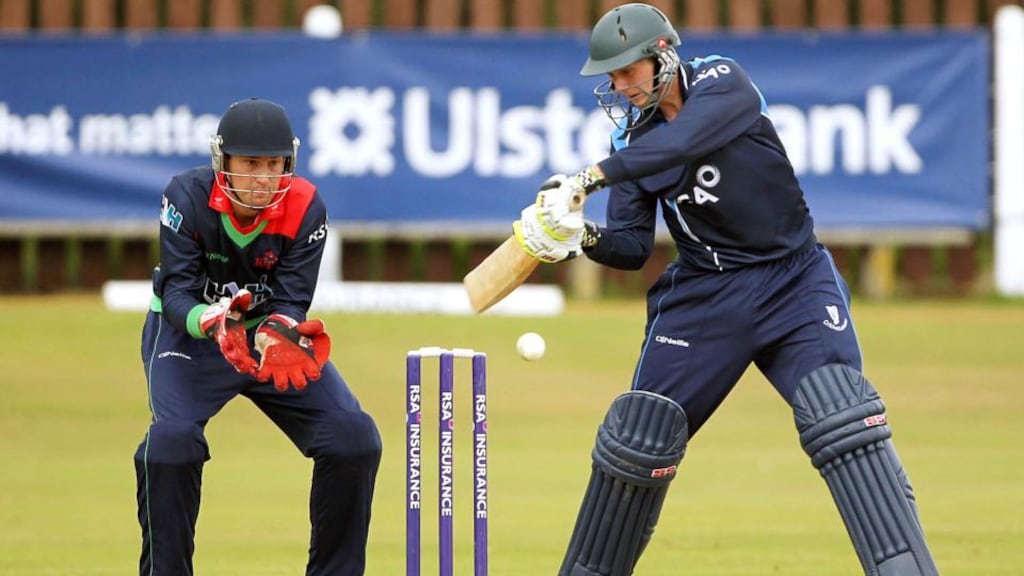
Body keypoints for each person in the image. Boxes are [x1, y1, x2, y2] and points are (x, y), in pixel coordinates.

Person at [513, 4, 939, 575]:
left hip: (795, 282)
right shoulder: (629, 145)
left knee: (844, 423)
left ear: (662, 56)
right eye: (610, 77)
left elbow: (684, 143)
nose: (617, 85)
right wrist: (581, 234)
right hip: (705, 299)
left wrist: (588, 178)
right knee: (640, 440)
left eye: (625, 71)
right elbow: (633, 247)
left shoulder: (723, 81)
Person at [134, 97, 381, 575]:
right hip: (192, 339)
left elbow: (290, 300)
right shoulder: (184, 198)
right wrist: (214, 321)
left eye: (274, 164)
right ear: (221, 160)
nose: (264, 178)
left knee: (353, 437)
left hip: (267, 346)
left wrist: (275, 332)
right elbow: (179, 292)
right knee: (171, 444)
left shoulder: (306, 206)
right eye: (250, 164)